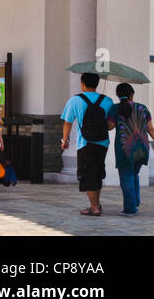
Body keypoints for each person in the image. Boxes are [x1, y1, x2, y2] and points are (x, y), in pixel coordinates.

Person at [60, 71, 114, 216]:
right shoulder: (107, 101)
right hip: (102, 143)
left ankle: (94, 207)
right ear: (97, 84)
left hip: (85, 143)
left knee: (88, 174)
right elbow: (110, 125)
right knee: (97, 173)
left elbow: (68, 122)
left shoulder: (75, 100)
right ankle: (96, 204)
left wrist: (65, 140)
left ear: (82, 84)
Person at [107, 82, 153, 216]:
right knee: (133, 174)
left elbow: (109, 127)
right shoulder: (143, 108)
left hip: (124, 149)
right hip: (142, 148)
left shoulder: (115, 109)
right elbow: (150, 129)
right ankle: (135, 202)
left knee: (126, 177)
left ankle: (130, 209)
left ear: (118, 95)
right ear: (132, 94)